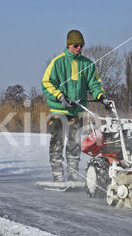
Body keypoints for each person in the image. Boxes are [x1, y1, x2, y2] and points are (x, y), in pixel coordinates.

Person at [41, 30, 111, 182]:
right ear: (68, 45)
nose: (79, 48)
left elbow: (94, 84)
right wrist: (60, 96)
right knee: (57, 143)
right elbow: (46, 83)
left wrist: (100, 96)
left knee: (74, 144)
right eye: (76, 45)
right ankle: (58, 175)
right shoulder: (57, 62)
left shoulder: (88, 64)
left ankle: (73, 174)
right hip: (58, 111)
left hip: (77, 110)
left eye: (81, 46)